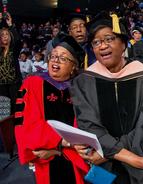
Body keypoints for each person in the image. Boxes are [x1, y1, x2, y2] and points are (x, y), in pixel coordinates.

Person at [70, 12, 143, 184]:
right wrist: (121, 154)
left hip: (138, 164)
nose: (102, 46)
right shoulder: (83, 82)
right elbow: (89, 126)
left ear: (123, 44)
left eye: (109, 39)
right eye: (96, 42)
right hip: (104, 166)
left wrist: (108, 152)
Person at [14, 33, 89, 184]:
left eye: (63, 58)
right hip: (46, 159)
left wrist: (59, 149)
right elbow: (26, 124)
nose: (55, 60)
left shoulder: (81, 88)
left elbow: (86, 129)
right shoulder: (32, 84)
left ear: (74, 65)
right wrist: (63, 143)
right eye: (53, 56)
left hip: (75, 159)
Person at [0, 13, 22, 115]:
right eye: (2, 35)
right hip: (1, 86)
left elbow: (17, 40)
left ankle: (16, 130)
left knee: (15, 110)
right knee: (4, 112)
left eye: (7, 34)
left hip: (14, 84)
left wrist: (11, 26)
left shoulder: (14, 50)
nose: (5, 37)